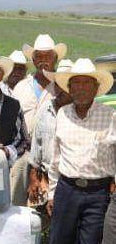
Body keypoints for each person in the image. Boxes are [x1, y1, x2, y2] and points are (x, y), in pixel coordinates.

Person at [45, 59, 115, 244]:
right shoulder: (62, 114)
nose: (82, 87)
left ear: (97, 88)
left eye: (87, 82)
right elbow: (55, 157)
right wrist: (52, 191)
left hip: (98, 193)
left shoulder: (110, 118)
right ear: (69, 87)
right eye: (76, 83)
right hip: (66, 189)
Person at [10, 34, 68, 205]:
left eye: (48, 56)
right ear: (33, 60)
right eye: (39, 57)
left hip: (48, 155)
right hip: (22, 152)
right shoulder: (21, 86)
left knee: (45, 202)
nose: (44, 61)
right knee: (17, 200)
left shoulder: (61, 86)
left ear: (55, 59)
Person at [27, 62, 74, 208]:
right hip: (45, 178)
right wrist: (34, 178)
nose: (60, 89)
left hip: (71, 181)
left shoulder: (80, 113)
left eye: (64, 85)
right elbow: (36, 145)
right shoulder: (46, 108)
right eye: (57, 84)